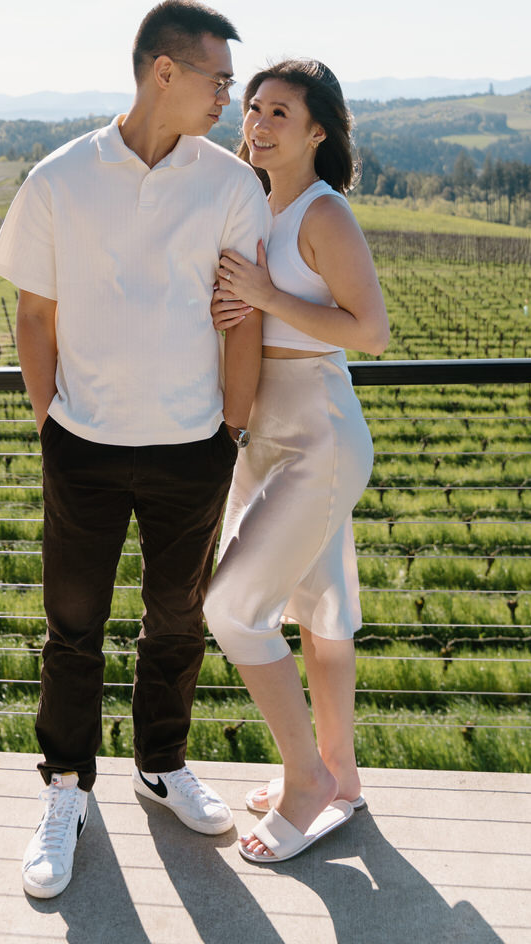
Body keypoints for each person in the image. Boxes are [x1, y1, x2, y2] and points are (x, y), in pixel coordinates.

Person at [0, 0, 270, 900]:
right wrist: (51, 425)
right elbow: (34, 313)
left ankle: (161, 765)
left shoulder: (230, 184)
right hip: (85, 448)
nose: (230, 95)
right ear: (164, 73)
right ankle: (66, 790)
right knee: (73, 629)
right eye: (219, 78)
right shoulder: (60, 178)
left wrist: (231, 428)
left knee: (177, 623)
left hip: (194, 450)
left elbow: (242, 316)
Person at [203, 58, 389, 865]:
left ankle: (304, 779)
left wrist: (266, 296)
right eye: (252, 108)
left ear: (318, 131)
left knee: (231, 609)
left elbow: (371, 331)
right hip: (268, 435)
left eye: (280, 111)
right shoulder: (254, 204)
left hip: (317, 432)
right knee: (319, 617)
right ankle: (339, 778)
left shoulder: (323, 212)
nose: (258, 122)